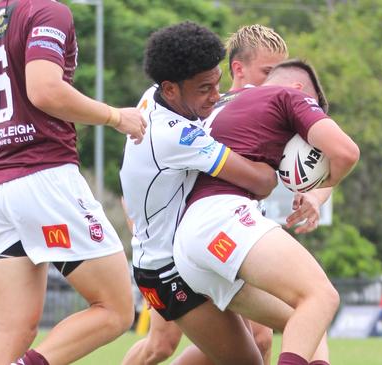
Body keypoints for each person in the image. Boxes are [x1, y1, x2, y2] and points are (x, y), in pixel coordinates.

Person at [0, 1, 147, 364]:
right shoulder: (48, 11)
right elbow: (45, 91)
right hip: (45, 183)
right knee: (116, 309)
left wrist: (9, 148)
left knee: (13, 330)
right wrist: (116, 117)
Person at [120, 21, 289, 365]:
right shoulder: (177, 137)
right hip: (166, 269)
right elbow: (261, 181)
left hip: (197, 250)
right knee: (171, 348)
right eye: (204, 89)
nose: (215, 95)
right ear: (170, 89)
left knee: (269, 333)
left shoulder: (155, 98)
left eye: (217, 83)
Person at [173, 59, 359, 365]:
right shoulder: (289, 96)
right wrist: (325, 184)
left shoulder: (232, 105)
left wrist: (316, 193)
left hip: (189, 244)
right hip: (223, 216)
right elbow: (346, 152)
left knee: (306, 319)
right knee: (322, 296)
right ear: (300, 90)